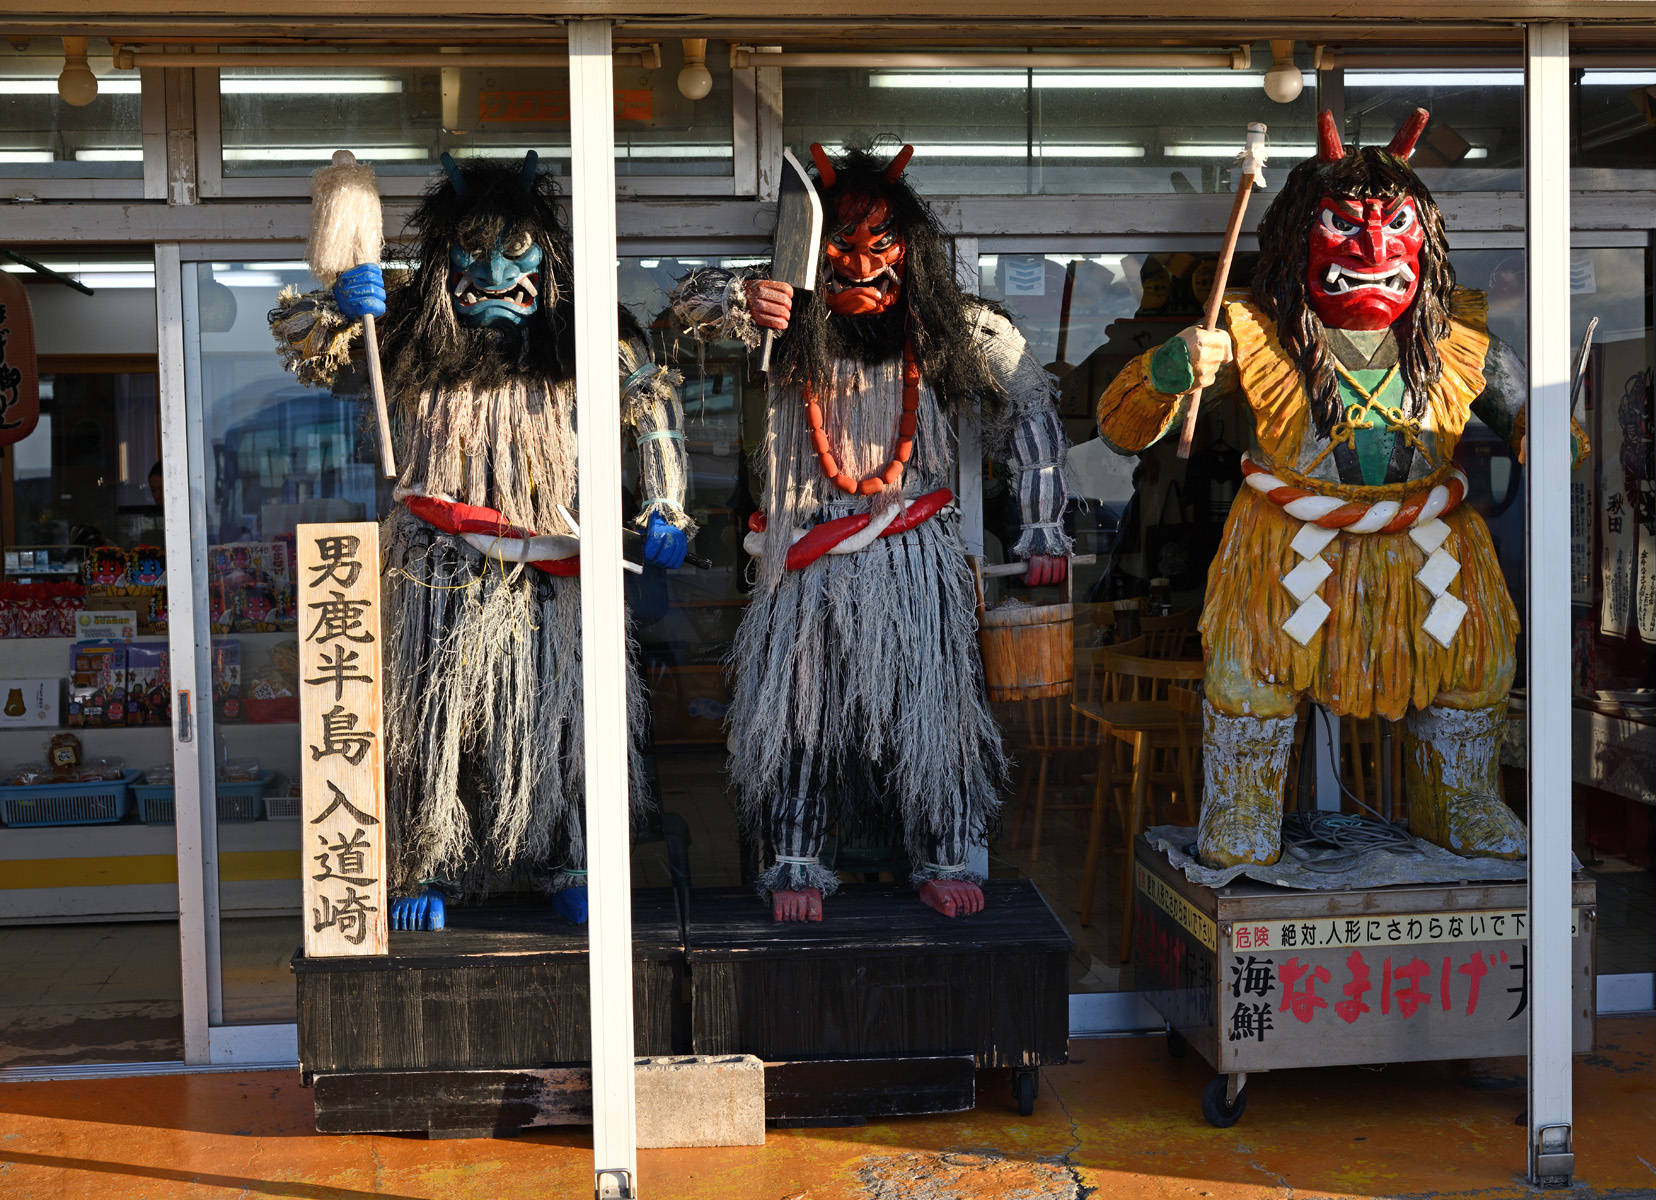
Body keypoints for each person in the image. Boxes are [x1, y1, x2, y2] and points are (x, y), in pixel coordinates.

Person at [1094, 110, 1587, 869]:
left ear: (1426, 240)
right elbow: (1121, 430)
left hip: (1431, 549)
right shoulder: (1252, 335)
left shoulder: (1461, 341)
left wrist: (1551, 436)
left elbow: (1543, 428)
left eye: (1396, 227)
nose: (1373, 250)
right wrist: (1167, 372)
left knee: (1473, 666)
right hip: (1288, 548)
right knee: (1252, 671)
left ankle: (1460, 800)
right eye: (1343, 226)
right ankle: (1243, 803)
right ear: (1298, 236)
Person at [271, 152, 690, 929]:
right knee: (432, 721)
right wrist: (340, 303)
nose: (494, 272)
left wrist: (666, 502)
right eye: (472, 250)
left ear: (548, 255)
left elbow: (651, 400)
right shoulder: (401, 329)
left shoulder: (592, 336)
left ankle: (571, 859)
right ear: (444, 260)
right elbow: (301, 341)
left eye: (515, 250)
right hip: (436, 563)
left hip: (551, 569)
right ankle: (425, 865)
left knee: (559, 720)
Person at [672, 143, 1073, 920]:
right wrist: (742, 294)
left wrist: (1043, 528)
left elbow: (1032, 400)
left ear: (910, 248)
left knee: (934, 711)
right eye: (840, 247)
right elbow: (684, 301)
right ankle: (796, 863)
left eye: (880, 244)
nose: (859, 265)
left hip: (914, 554)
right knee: (801, 714)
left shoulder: (951, 327)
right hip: (807, 558)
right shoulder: (785, 324)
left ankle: (944, 856)